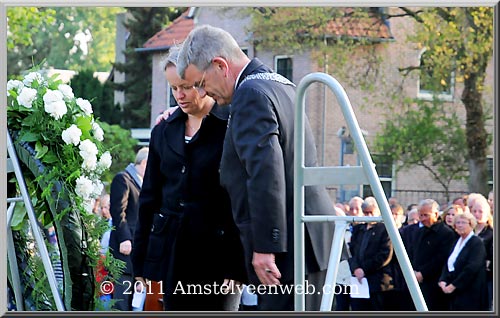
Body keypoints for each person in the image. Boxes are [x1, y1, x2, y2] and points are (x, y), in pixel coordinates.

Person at [177, 24, 336, 311]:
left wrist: (265, 247)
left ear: (220, 65)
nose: (203, 93)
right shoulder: (280, 84)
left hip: (289, 246)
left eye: (200, 83)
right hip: (310, 239)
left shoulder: (250, 94)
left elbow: (266, 174)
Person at [132, 46, 246, 311]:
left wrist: (236, 262)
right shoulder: (163, 130)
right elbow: (149, 198)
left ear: (201, 79)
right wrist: (141, 260)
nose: (179, 95)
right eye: (173, 88)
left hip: (218, 256)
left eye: (185, 86)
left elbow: (241, 199)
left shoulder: (231, 125)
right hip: (173, 252)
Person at [109, 147, 149, 311]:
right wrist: (125, 238)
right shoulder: (123, 179)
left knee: (132, 300)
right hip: (125, 250)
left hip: (137, 251)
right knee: (121, 300)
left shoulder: (141, 183)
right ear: (145, 162)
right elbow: (118, 211)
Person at [348, 197, 394, 311]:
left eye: (371, 212)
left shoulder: (385, 229)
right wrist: (355, 268)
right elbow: (352, 251)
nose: (368, 216)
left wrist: (365, 269)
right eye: (365, 213)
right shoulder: (358, 229)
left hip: (378, 282)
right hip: (358, 281)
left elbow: (385, 254)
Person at [410, 199, 456, 311]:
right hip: (417, 281)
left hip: (434, 283)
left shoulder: (446, 233)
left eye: (426, 215)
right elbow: (413, 253)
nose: (423, 219)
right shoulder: (418, 232)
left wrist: (423, 273)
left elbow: (441, 258)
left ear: (436, 214)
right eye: (421, 215)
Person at [438, 212, 488, 311]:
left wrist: (454, 285)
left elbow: (472, 268)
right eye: (458, 222)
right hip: (453, 292)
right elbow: (448, 262)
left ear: (471, 224)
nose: (460, 225)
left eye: (464, 223)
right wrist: (442, 280)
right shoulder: (456, 242)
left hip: (470, 292)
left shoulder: (476, 243)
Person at [470, 194, 493, 310]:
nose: (477, 214)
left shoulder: (491, 233)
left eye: (480, 211)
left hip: (485, 279)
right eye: (474, 211)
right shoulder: (467, 232)